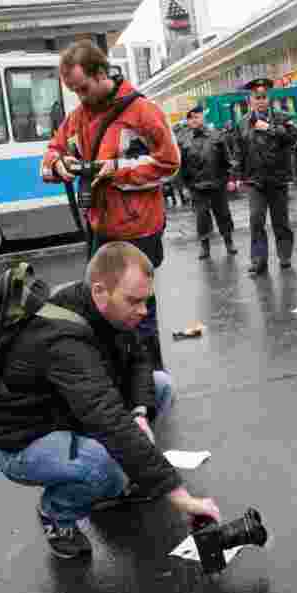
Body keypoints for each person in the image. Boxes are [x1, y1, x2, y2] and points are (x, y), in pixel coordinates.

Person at [0, 241, 220, 558]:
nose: (143, 311)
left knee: (159, 385)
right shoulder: (62, 339)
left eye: (147, 301)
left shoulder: (109, 309)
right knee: (103, 466)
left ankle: (126, 481)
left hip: (69, 414)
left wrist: (139, 413)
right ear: (99, 291)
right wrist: (180, 497)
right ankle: (56, 514)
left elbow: (139, 360)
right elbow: (107, 419)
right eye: (135, 301)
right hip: (27, 440)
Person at [42, 40, 179, 371]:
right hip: (99, 226)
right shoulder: (77, 117)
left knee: (136, 306)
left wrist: (117, 170)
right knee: (103, 304)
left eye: (83, 88)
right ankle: (119, 374)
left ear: (102, 73)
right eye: (73, 91)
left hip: (136, 228)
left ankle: (150, 379)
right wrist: (57, 164)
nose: (80, 97)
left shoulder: (143, 111)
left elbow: (170, 163)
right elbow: (52, 150)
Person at [229, 78, 297, 275]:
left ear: (268, 98)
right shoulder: (242, 123)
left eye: (263, 96)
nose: (260, 100)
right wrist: (234, 177)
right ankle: (259, 260)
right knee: (256, 219)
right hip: (254, 181)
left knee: (281, 221)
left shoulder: (282, 117)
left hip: (277, 179)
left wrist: (270, 128)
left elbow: (294, 137)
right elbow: (238, 152)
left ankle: (284, 256)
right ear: (249, 99)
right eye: (256, 97)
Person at [177, 104, 237, 260]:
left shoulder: (216, 135)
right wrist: (183, 187)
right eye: (191, 118)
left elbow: (227, 159)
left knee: (223, 214)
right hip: (196, 186)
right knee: (201, 217)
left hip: (217, 183)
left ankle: (229, 242)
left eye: (197, 116)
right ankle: (205, 246)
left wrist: (231, 179)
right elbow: (180, 166)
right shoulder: (183, 140)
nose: (194, 120)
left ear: (202, 117)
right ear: (188, 121)